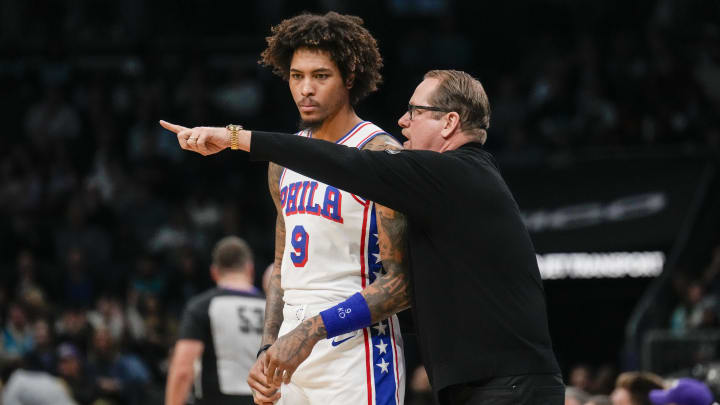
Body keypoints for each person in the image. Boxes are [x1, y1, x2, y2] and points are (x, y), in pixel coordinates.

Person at [160, 68, 564, 404]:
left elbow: (345, 163)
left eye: (415, 111)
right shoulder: (458, 182)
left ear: (450, 122)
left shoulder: (454, 173)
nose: (402, 121)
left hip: (509, 388)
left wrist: (233, 138)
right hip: (493, 384)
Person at [165, 12, 411, 405]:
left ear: (349, 76)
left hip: (356, 349)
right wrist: (267, 347)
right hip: (290, 351)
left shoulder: (380, 153)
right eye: (297, 76)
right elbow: (281, 267)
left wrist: (312, 330)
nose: (305, 89)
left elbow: (402, 284)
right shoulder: (283, 160)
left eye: (320, 76)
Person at [165, 236, 264, 405]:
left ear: (214, 272)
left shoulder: (203, 306)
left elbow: (183, 370)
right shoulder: (273, 308)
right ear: (250, 269)